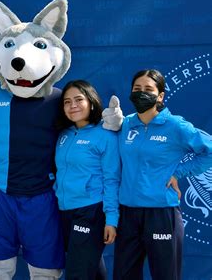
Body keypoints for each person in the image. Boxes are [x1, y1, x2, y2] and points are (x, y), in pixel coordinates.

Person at [113, 69, 212, 280]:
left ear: (160, 96)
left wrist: (180, 172)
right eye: (137, 89)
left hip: (161, 213)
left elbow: (208, 151)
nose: (141, 93)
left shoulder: (175, 125)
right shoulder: (126, 124)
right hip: (128, 213)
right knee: (124, 275)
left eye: (148, 89)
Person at [55, 80, 120, 279]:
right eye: (67, 102)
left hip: (91, 211)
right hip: (64, 210)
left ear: (91, 102)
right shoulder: (63, 134)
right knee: (90, 269)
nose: (72, 105)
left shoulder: (105, 135)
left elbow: (111, 179)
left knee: (77, 273)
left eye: (78, 99)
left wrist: (111, 219)